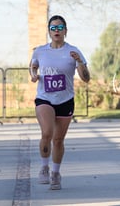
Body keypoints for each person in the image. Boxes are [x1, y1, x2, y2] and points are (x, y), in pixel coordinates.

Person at [29, 15, 90, 190]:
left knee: (58, 139)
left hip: (65, 100)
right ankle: (44, 167)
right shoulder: (40, 51)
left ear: (65, 31)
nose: (57, 31)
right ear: (49, 31)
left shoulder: (73, 51)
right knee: (47, 133)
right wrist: (33, 74)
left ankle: (55, 173)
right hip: (44, 98)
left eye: (60, 27)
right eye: (53, 28)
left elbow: (86, 78)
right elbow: (33, 65)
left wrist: (79, 61)